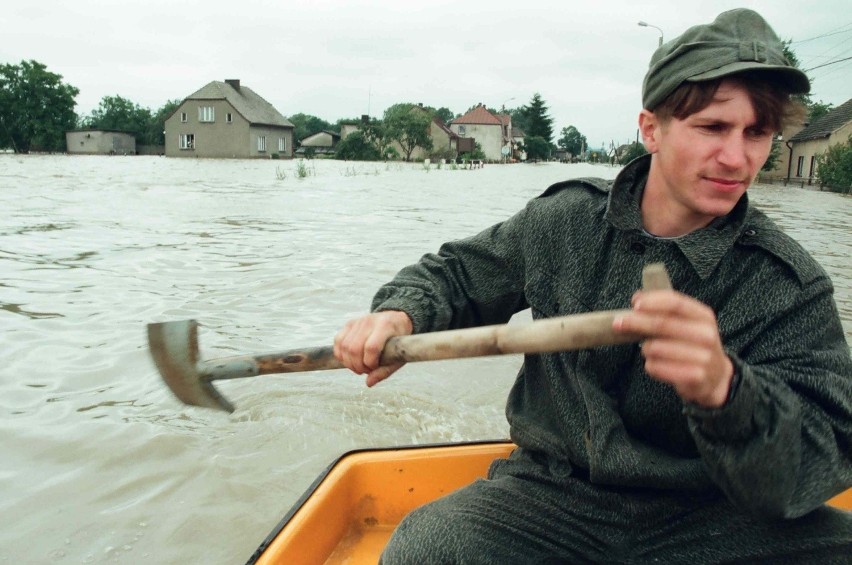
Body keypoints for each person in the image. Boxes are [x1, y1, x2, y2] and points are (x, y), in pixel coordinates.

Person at [334, 9, 852, 563]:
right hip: (551, 499)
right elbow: (458, 274)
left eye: (757, 133)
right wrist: (400, 314)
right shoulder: (564, 221)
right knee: (427, 547)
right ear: (651, 128)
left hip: (713, 514)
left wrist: (728, 393)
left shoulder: (789, 283)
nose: (737, 157)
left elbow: (818, 460)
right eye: (713, 127)